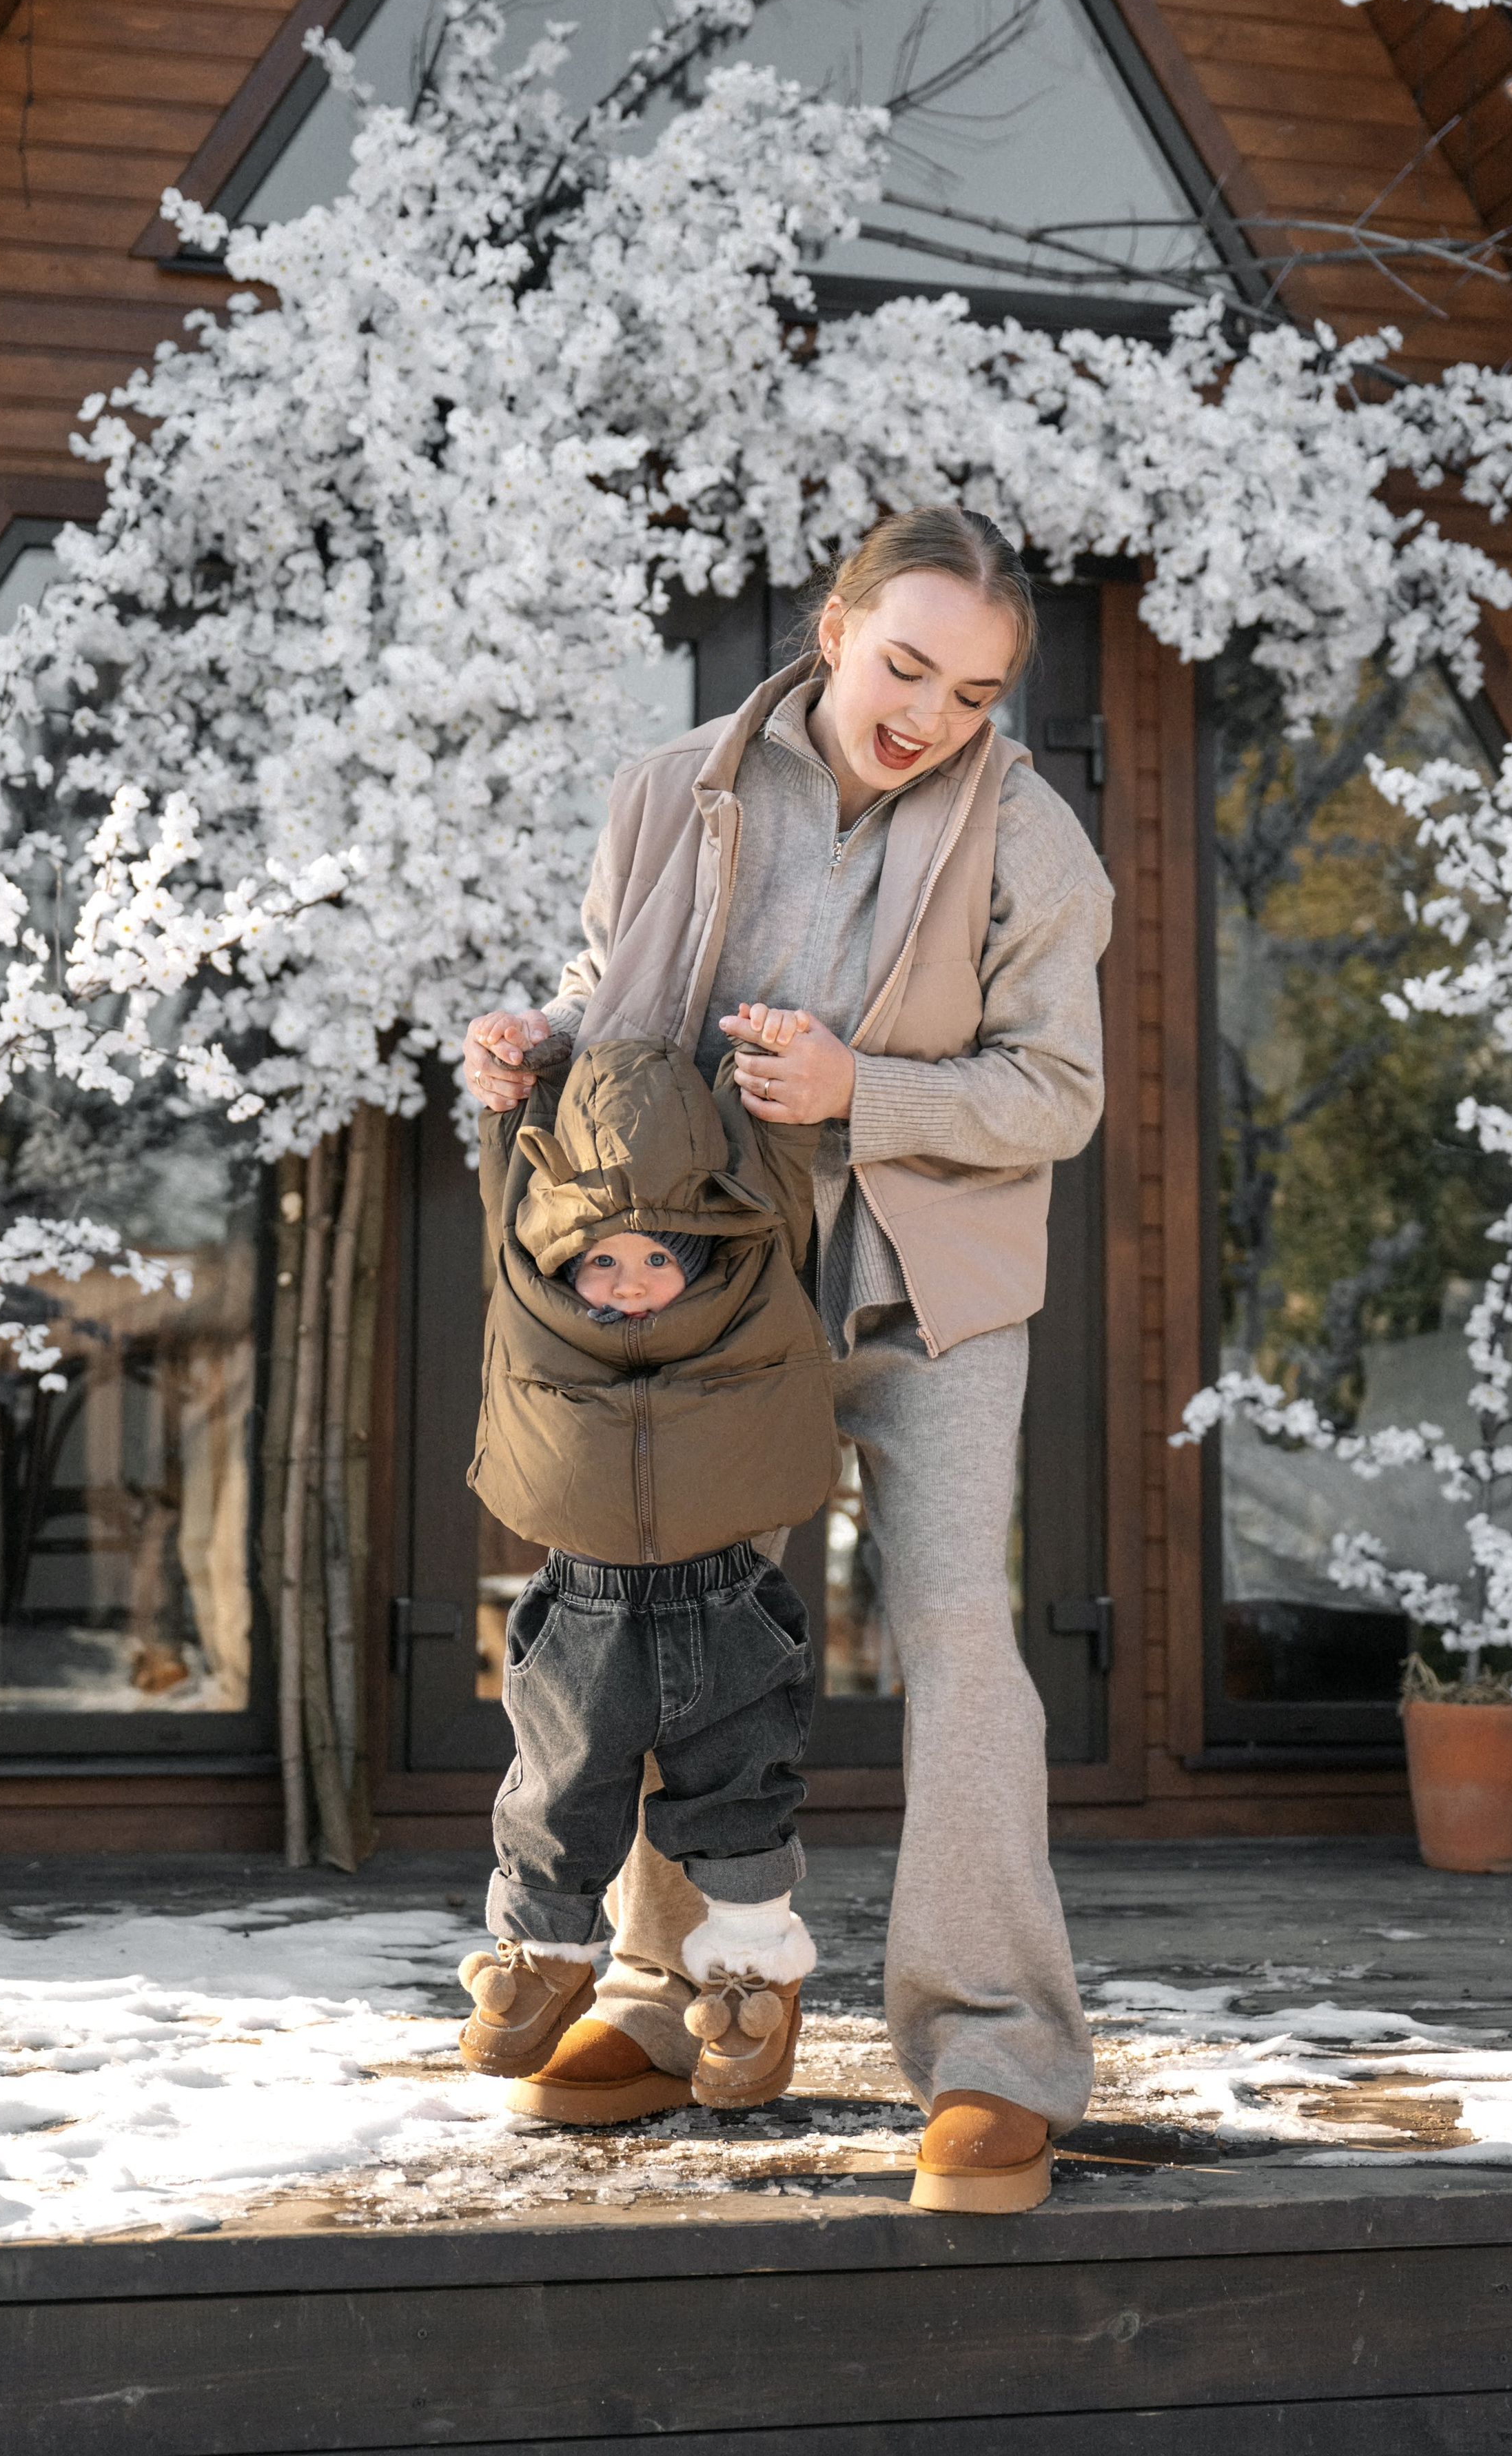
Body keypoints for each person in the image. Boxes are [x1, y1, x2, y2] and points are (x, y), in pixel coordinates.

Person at [463, 503, 1112, 2215]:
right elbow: (611, 993)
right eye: (906, 666)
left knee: (958, 1637)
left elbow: (1057, 1093)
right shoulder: (667, 789)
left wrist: (858, 1094)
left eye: (971, 693)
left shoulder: (1031, 840)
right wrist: (537, 1044)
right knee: (678, 1629)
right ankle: (664, 2001)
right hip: (706, 1298)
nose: (929, 714)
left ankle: (992, 2054)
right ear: (834, 630)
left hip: (922, 1292)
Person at [456, 1027, 838, 2115]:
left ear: (702, 1255)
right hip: (581, 1603)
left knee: (740, 1794)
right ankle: (540, 1963)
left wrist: (765, 1090)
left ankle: (751, 1985)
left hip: (731, 1600)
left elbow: (773, 1183)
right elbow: (510, 1183)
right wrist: (518, 1093)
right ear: (563, 1259)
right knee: (556, 1793)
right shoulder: (530, 1291)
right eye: (603, 1264)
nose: (630, 1286)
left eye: (660, 1261)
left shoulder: (752, 1273)